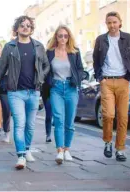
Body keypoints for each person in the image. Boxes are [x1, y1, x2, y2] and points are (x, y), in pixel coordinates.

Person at [0, 15, 50, 169]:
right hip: (15, 92)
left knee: (30, 125)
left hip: (34, 91)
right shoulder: (9, 47)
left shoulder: (38, 46)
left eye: (28, 25)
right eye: (22, 25)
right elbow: (0, 70)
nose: (25, 27)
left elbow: (46, 65)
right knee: (20, 124)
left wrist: (41, 78)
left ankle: (27, 149)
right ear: (16, 29)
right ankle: (21, 155)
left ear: (31, 29)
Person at [93, 12, 130, 162]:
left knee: (123, 117)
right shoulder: (101, 40)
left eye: (114, 22)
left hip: (123, 81)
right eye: (109, 23)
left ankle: (120, 149)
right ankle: (108, 142)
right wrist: (100, 78)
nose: (112, 25)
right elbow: (96, 61)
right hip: (107, 82)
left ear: (120, 23)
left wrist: (129, 77)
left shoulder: (128, 38)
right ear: (106, 24)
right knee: (108, 115)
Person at [46, 25, 84, 165]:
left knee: (69, 121)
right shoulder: (50, 52)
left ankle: (67, 149)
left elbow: (80, 69)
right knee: (58, 119)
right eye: (60, 35)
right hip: (56, 88)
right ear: (56, 37)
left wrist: (77, 79)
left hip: (71, 88)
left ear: (69, 37)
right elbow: (45, 70)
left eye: (65, 36)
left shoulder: (75, 52)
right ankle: (60, 151)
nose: (63, 38)